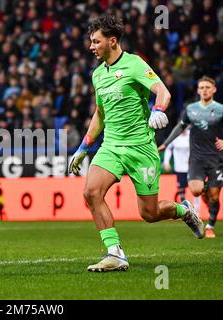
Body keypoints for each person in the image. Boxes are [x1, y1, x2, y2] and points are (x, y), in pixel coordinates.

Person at [68, 15, 204, 272]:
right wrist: (84, 147)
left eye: (96, 41)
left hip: (141, 148)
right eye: (90, 42)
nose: (91, 47)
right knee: (91, 192)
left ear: (112, 41)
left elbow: (162, 91)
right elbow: (100, 113)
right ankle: (115, 253)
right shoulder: (98, 75)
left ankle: (184, 211)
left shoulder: (134, 64)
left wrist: (158, 110)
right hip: (112, 147)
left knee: (149, 214)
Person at [158, 76, 223, 239]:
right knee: (195, 190)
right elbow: (180, 127)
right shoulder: (191, 109)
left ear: (214, 89)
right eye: (201, 87)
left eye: (208, 87)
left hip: (216, 159)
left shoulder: (221, 109)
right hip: (197, 158)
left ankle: (210, 225)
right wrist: (165, 144)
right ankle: (206, 188)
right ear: (198, 90)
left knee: (215, 197)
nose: (204, 90)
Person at [163, 128, 201, 212]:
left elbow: (198, 147)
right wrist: (166, 162)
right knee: (181, 192)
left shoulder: (192, 134)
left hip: (191, 168)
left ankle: (197, 211)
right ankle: (186, 211)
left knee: (196, 190)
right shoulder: (175, 136)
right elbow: (168, 149)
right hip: (179, 168)